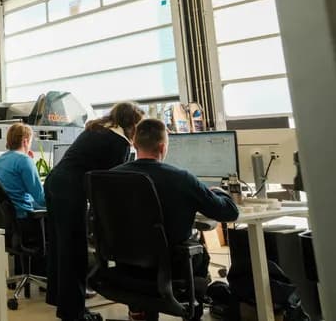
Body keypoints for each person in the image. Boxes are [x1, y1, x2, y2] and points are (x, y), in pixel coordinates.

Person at [113, 118, 239, 320]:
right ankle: (191, 312)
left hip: (125, 266)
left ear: (135, 145)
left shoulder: (111, 176)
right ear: (163, 147)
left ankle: (138, 310)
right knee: (199, 255)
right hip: (172, 265)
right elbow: (229, 213)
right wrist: (220, 192)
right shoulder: (182, 178)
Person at [45, 102, 144, 321]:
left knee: (60, 247)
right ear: (131, 124)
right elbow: (109, 184)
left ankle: (61, 302)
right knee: (75, 251)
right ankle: (74, 313)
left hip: (55, 183)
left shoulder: (97, 129)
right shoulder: (118, 142)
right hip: (70, 189)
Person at [0, 123, 45, 241]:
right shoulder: (24, 160)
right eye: (30, 142)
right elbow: (41, 199)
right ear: (25, 141)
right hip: (24, 221)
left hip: (5, 222)